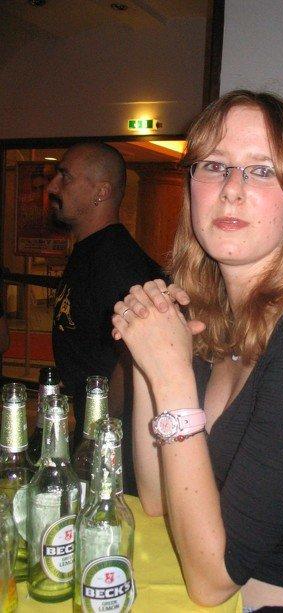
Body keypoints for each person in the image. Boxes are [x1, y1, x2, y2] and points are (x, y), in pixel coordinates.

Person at [111, 91, 283, 611]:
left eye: (261, 171)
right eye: (214, 166)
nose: (231, 190)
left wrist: (170, 376)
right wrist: (150, 355)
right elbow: (157, 499)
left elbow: (214, 581)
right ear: (191, 185)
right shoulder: (218, 319)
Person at [48, 142, 166, 494]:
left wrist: (96, 434)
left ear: (101, 192)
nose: (53, 186)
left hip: (114, 446)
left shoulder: (117, 261)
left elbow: (134, 356)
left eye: (65, 177)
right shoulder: (90, 251)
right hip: (93, 429)